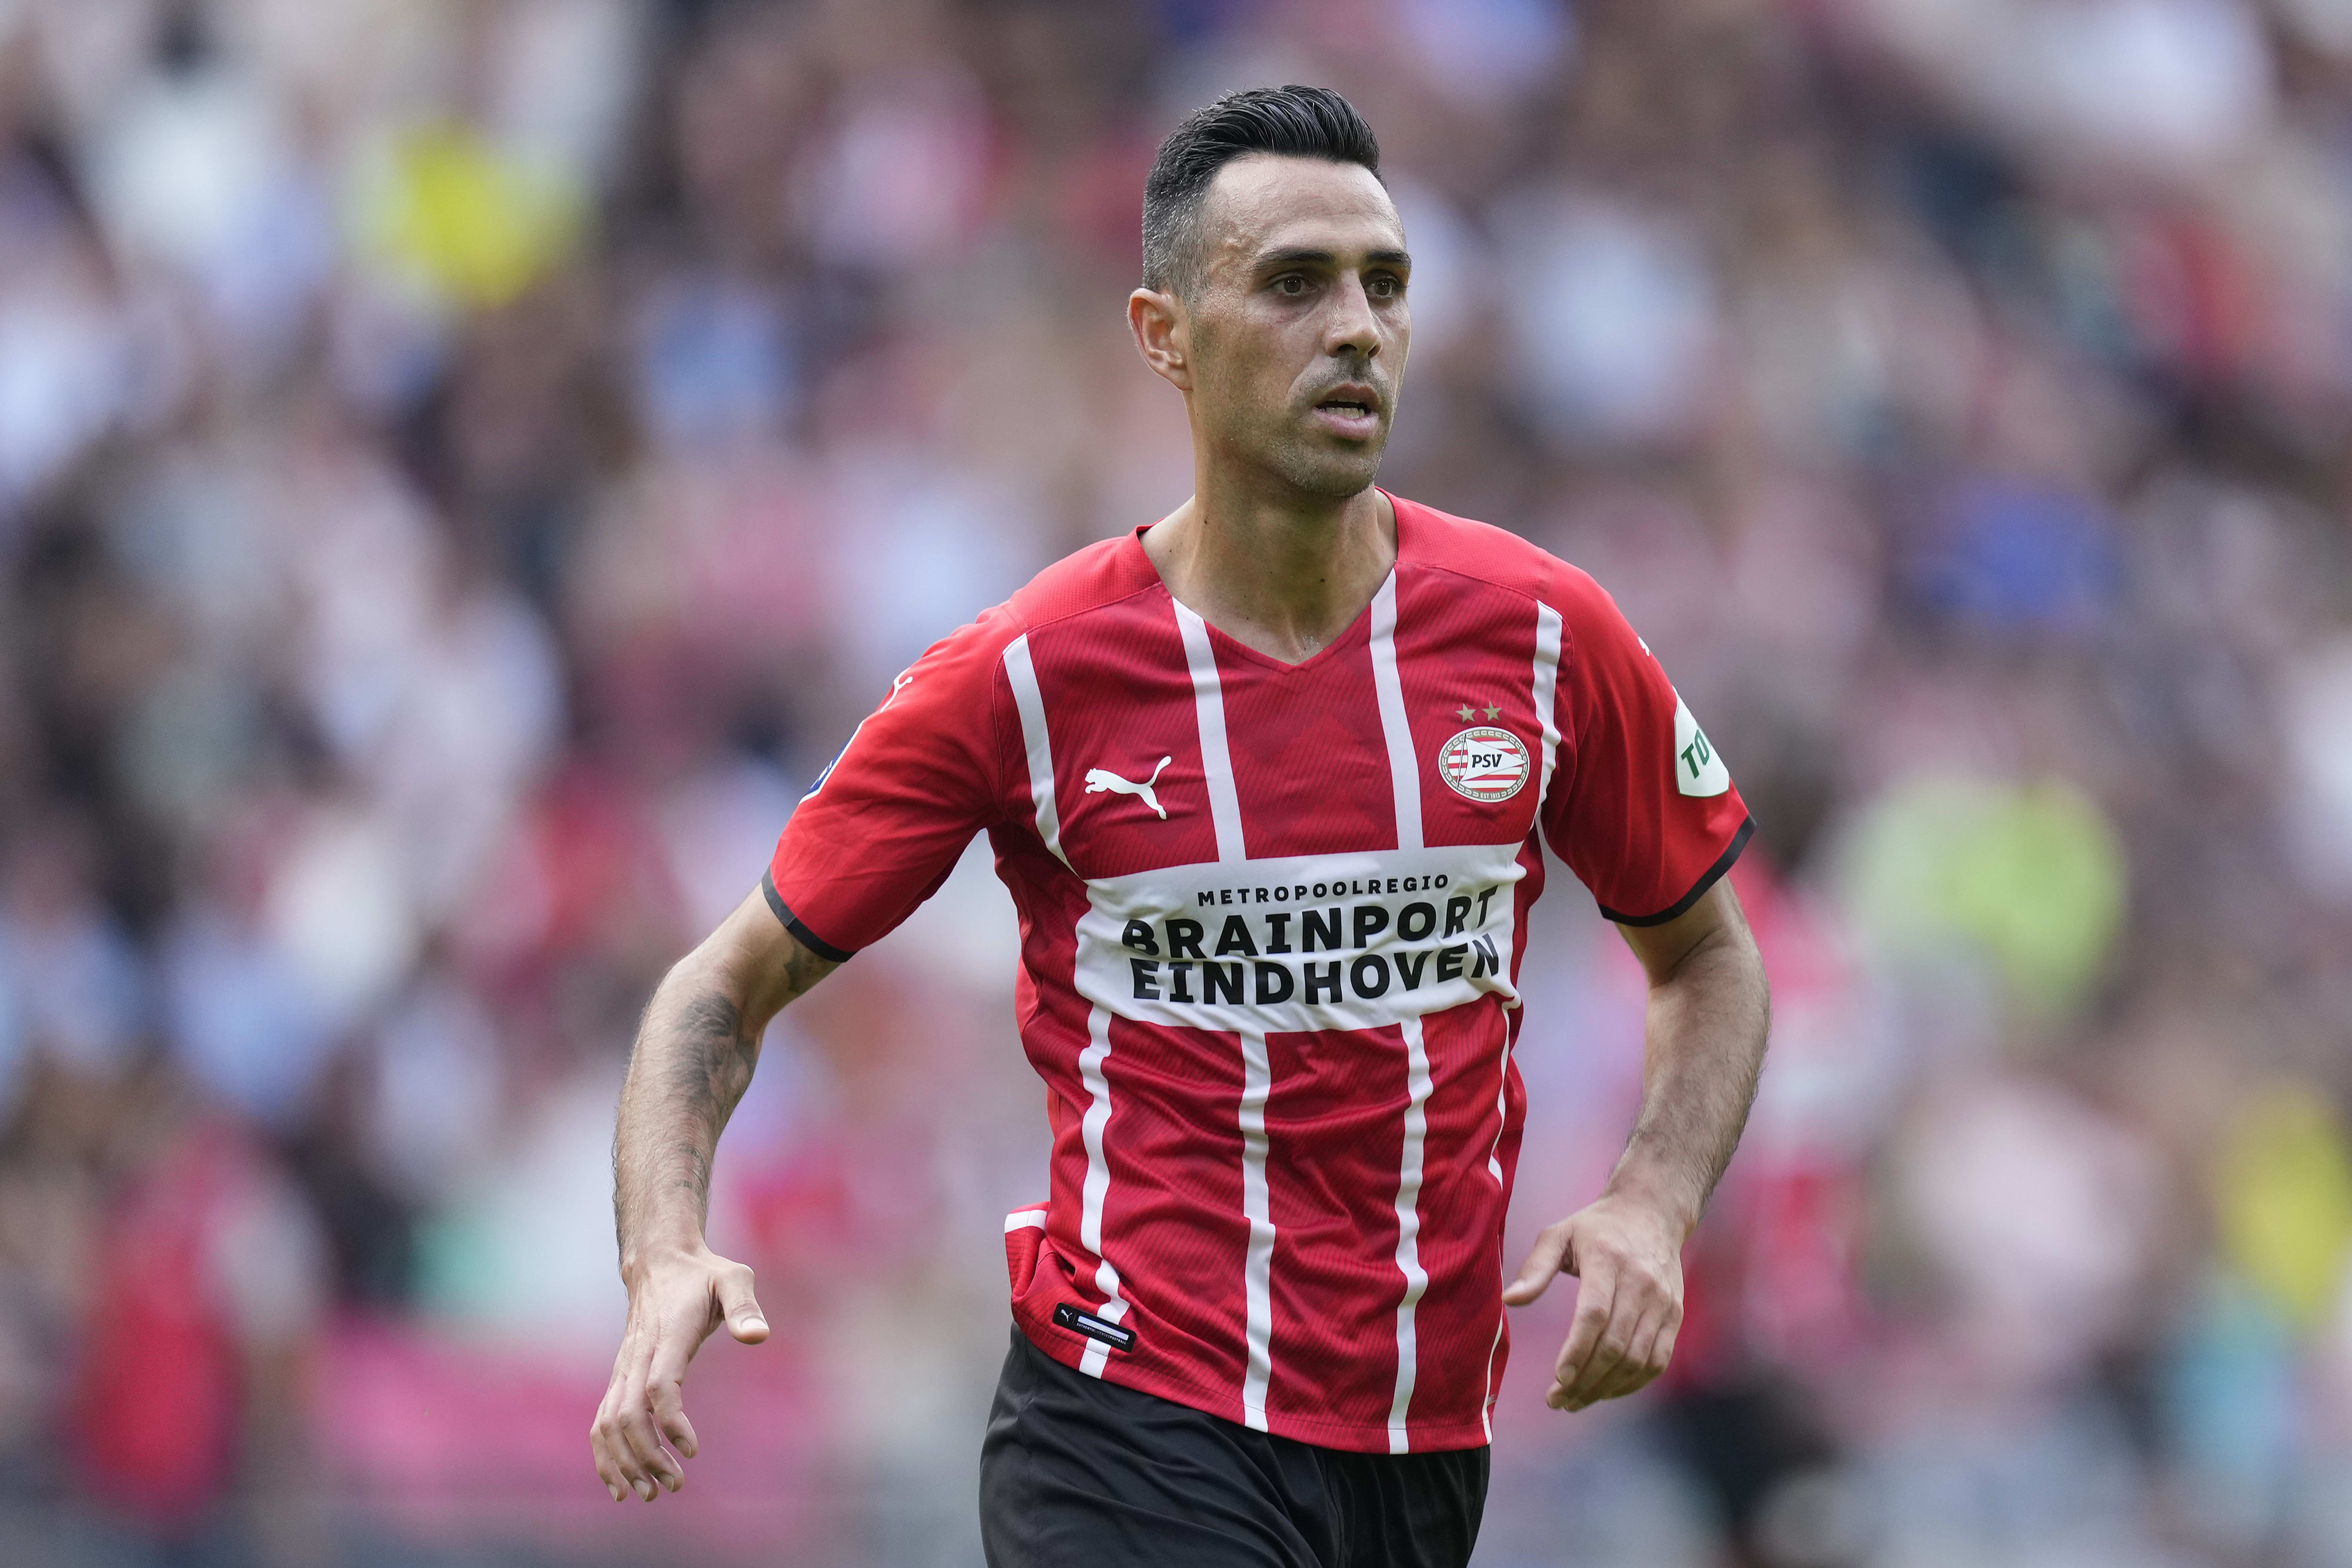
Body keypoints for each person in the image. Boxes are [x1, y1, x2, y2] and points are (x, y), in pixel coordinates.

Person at [590, 85, 1770, 1567]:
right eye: (1294, 284)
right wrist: (664, 1249)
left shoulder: (1543, 634)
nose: (1355, 328)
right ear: (1163, 335)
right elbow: (721, 983)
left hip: (1417, 1441)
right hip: (1126, 1416)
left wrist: (1653, 1198)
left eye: (1384, 284)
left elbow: (1707, 954)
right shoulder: (1030, 673)